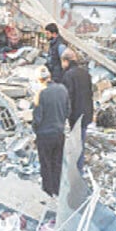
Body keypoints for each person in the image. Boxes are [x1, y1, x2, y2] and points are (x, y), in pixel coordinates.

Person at [32, 66, 69, 197]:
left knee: (46, 164)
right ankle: (57, 189)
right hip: (59, 133)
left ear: (39, 80)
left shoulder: (41, 93)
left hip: (45, 135)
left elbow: (37, 118)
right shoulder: (63, 90)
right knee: (57, 162)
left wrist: (35, 131)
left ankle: (48, 192)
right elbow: (67, 111)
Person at [61, 48, 93, 170]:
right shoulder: (85, 73)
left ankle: (76, 170)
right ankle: (77, 167)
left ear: (66, 61)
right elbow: (90, 93)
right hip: (86, 113)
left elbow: (68, 98)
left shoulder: (68, 75)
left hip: (75, 114)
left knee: (76, 143)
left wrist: (64, 117)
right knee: (80, 141)